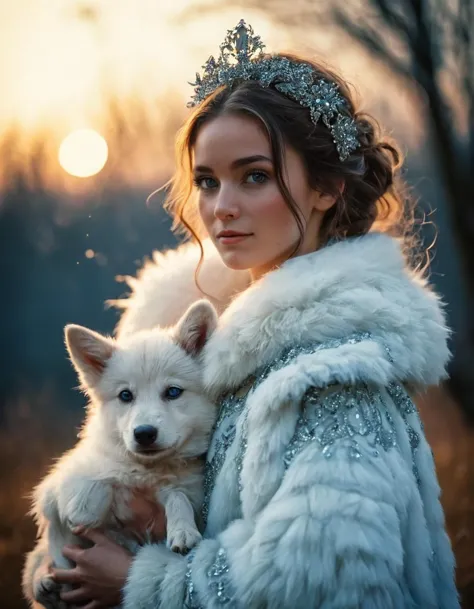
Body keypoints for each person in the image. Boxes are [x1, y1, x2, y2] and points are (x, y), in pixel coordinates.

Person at [35, 19, 460, 609]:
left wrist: (148, 584)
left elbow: (331, 577)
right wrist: (74, 560)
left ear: (328, 187)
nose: (222, 208)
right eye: (207, 182)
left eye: (254, 176)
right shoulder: (186, 342)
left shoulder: (335, 371)